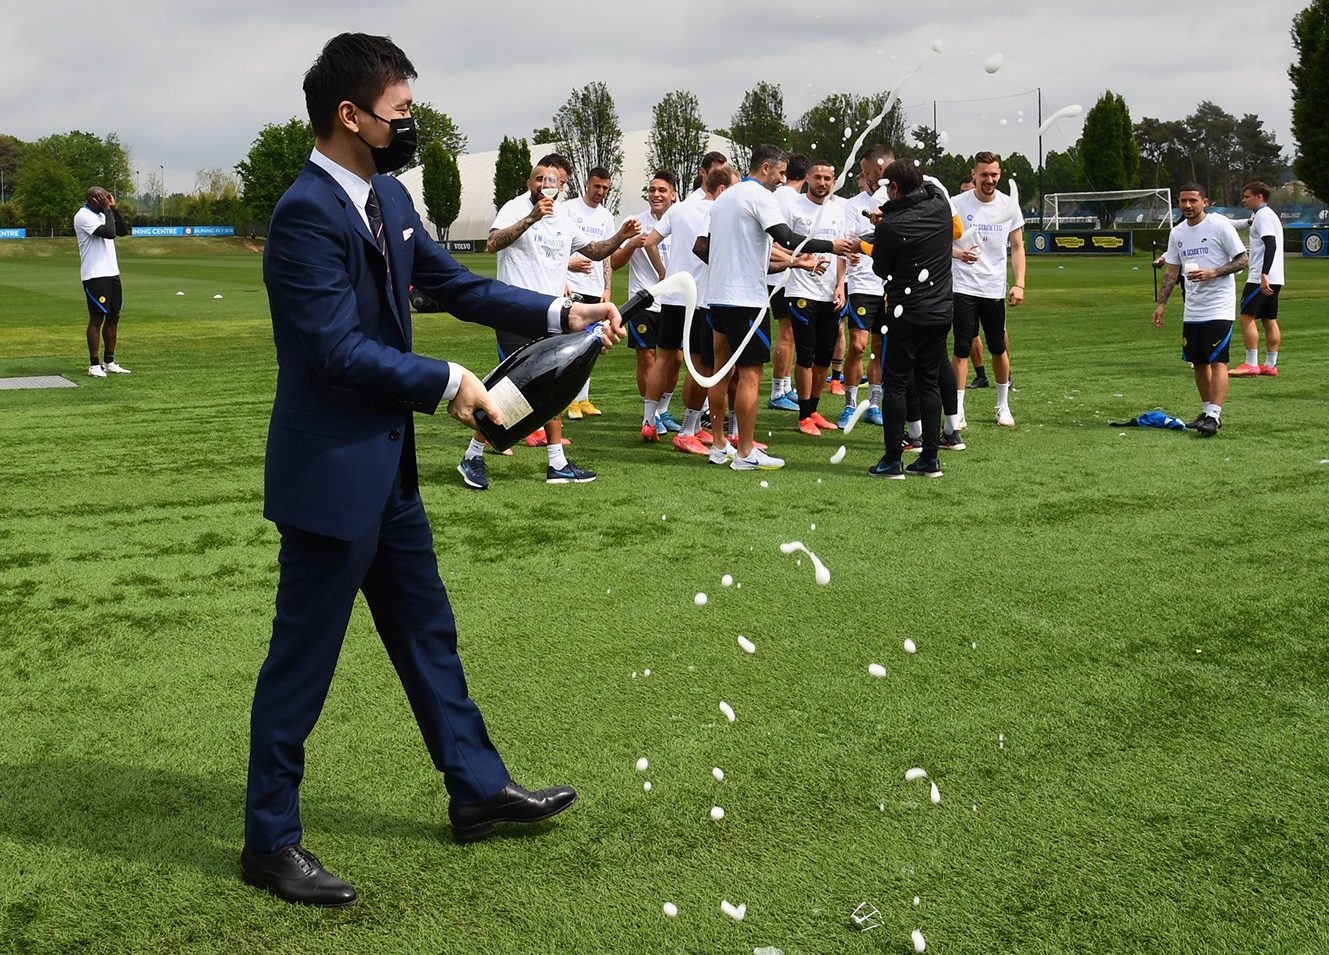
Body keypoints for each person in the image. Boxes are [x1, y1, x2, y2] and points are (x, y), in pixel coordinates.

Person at [243, 33, 628, 909]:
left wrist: (558, 307)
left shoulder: (385, 194)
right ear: (350, 115)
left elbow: (455, 286)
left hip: (388, 478)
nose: (409, 124)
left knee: (428, 635)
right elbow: (335, 351)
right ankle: (268, 841)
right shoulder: (307, 211)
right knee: (300, 664)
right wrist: (451, 381)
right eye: (400, 112)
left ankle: (475, 788)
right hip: (329, 479)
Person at [457, 154, 639, 489]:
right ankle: (472, 456)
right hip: (512, 309)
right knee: (512, 389)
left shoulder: (563, 219)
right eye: (539, 179)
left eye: (552, 181)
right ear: (530, 183)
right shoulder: (515, 207)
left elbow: (596, 251)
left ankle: (556, 462)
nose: (545, 185)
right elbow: (492, 243)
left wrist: (621, 236)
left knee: (553, 384)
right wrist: (530, 217)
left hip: (553, 312)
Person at [694, 143, 856, 470]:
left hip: (716, 297)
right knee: (751, 375)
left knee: (720, 373)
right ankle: (745, 452)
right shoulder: (759, 196)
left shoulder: (724, 197)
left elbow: (705, 247)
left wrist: (743, 263)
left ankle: (719, 445)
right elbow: (787, 237)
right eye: (780, 173)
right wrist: (832, 245)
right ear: (765, 167)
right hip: (745, 301)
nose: (782, 181)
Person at [867, 159, 953, 478]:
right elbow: (928, 187)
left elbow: (880, 269)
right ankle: (930, 457)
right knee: (929, 381)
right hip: (942, 310)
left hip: (906, 311)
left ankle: (893, 459)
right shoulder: (940, 205)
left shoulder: (890, 226)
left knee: (897, 383)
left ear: (896, 189)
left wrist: (887, 215)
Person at [643, 165, 734, 453]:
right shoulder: (719, 212)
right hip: (702, 298)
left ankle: (648, 421)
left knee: (664, 358)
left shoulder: (680, 208)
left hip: (673, 296)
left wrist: (663, 274)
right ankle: (689, 429)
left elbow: (649, 242)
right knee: (701, 364)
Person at [1151, 182, 1248, 436]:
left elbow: (1243, 259)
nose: (1187, 206)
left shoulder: (1219, 225)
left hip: (1219, 306)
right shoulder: (1177, 233)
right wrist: (1162, 303)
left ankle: (1214, 415)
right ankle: (1206, 412)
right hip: (1192, 308)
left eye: (1193, 201)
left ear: (1204, 202)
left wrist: (1213, 272)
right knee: (1198, 361)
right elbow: (1172, 272)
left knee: (1217, 360)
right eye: (1183, 201)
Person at [951, 151, 1025, 428]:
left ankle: (1002, 406)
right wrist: (957, 255)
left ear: (1000, 174)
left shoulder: (1009, 205)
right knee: (961, 348)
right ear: (974, 175)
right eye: (984, 175)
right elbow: (939, 242)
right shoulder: (956, 204)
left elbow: (1018, 247)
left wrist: (1019, 283)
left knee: (997, 348)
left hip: (994, 289)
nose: (989, 180)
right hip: (963, 286)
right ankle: (957, 410)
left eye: (994, 174)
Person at [610, 170, 677, 439]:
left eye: (662, 190)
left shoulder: (681, 219)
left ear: (673, 194)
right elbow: (614, 262)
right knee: (646, 356)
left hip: (673, 300)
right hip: (643, 301)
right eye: (652, 190)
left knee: (675, 360)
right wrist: (631, 245)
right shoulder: (634, 222)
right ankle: (651, 416)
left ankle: (664, 410)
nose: (656, 195)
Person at [782, 158, 848, 435]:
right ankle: (804, 415)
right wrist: (799, 261)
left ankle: (815, 409)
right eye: (817, 177)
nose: (822, 183)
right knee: (806, 355)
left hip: (829, 294)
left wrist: (841, 285)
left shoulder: (838, 210)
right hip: (800, 290)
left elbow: (842, 251)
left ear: (833, 182)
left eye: (827, 178)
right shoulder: (794, 206)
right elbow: (778, 244)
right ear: (808, 178)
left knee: (824, 356)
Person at [564, 166, 616, 418]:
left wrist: (607, 287)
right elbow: (559, 244)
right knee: (571, 346)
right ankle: (568, 400)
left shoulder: (606, 216)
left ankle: (583, 398)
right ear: (587, 184)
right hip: (573, 287)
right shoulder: (569, 209)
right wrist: (565, 273)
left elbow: (607, 256)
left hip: (595, 290)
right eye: (597, 186)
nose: (600, 192)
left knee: (592, 345)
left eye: (605, 188)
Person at [767, 153, 809, 411]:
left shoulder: (777, 195)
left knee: (790, 332)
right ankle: (777, 391)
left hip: (782, 270)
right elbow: (780, 239)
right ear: (805, 176)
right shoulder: (791, 199)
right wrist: (798, 257)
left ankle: (786, 386)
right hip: (782, 273)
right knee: (787, 333)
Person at [73, 186, 130, 378]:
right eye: (103, 198)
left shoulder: (103, 213)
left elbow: (121, 231)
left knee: (114, 316)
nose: (106, 200)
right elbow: (108, 233)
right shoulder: (83, 216)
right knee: (97, 318)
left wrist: (113, 209)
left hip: (112, 272)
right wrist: (106, 210)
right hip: (95, 275)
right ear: (93, 199)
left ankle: (109, 362)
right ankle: (94, 365)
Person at [1229, 181, 1284, 377]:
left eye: (1246, 196)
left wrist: (1263, 275)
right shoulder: (1267, 215)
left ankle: (1251, 363)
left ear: (1259, 197)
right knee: (1269, 319)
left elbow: (1271, 245)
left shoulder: (1263, 216)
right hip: (1276, 277)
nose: (1243, 200)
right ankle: (1270, 364)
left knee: (1246, 317)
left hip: (1261, 277)